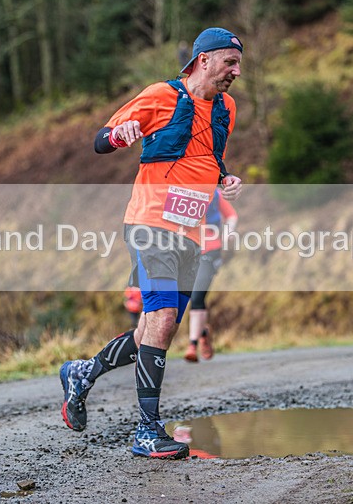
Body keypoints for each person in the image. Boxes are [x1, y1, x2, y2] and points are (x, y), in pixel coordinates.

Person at [58, 27, 244, 460]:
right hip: (150, 224)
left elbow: (207, 157)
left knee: (152, 331)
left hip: (191, 232)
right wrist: (120, 137)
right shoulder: (161, 95)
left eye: (238, 65)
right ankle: (147, 430)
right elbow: (102, 140)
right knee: (160, 320)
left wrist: (224, 178)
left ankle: (82, 373)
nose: (235, 72)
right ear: (203, 60)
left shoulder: (226, 109)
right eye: (229, 63)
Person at [184, 188, 238, 362]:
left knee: (197, 295)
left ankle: (192, 345)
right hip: (185, 252)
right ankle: (203, 332)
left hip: (211, 249)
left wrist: (228, 232)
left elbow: (231, 215)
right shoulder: (179, 189)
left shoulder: (214, 193)